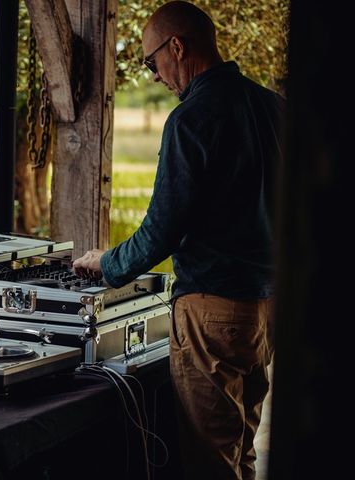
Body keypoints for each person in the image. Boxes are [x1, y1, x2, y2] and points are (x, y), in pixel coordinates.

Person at [72, 2, 284, 479]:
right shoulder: (274, 107)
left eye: (151, 62)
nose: (154, 75)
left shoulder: (191, 120)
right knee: (242, 451)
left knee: (209, 463)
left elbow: (162, 228)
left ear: (178, 47)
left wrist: (107, 265)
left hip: (213, 316)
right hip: (266, 312)